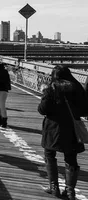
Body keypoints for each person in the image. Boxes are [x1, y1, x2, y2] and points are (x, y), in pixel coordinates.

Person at [39, 65, 88, 199]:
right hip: (72, 128)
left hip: (53, 127)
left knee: (49, 154)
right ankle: (70, 191)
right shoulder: (77, 88)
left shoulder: (51, 88)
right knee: (71, 158)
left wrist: (44, 94)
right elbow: (85, 110)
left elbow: (42, 110)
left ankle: (54, 187)